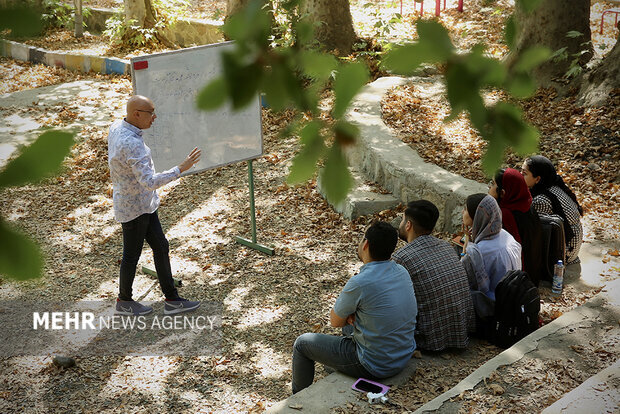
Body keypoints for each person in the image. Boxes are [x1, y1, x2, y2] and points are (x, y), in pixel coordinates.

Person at [291, 222, 417, 394]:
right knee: (350, 324)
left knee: (302, 343)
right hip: (402, 356)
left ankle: (297, 400)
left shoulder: (360, 282)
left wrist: (350, 315)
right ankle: (337, 364)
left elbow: (335, 321)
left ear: (365, 244)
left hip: (375, 365)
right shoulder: (402, 271)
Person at [108, 95, 202, 316]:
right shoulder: (130, 143)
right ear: (136, 114)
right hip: (134, 209)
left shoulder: (117, 127)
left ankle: (172, 299)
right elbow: (149, 182)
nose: (155, 117)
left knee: (161, 246)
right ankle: (124, 301)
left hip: (144, 205)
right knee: (131, 255)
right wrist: (181, 168)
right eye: (150, 112)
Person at [392, 200, 475, 351]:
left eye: (403, 219)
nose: (401, 223)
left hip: (429, 339)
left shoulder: (402, 257)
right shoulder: (446, 246)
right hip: (462, 331)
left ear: (408, 225)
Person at [522, 155, 583, 264]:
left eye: (525, 173)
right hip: (573, 246)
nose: (520, 176)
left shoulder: (540, 200)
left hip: (565, 253)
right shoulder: (554, 186)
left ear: (538, 179)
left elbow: (538, 234)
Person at [489, 168, 544, 285]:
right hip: (534, 273)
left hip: (517, 280)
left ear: (503, 193)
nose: (489, 187)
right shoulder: (527, 203)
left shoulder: (504, 215)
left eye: (493, 184)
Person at [461, 194, 521, 301]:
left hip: (492, 305)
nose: (462, 212)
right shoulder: (506, 235)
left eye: (465, 209)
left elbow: (465, 280)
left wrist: (467, 242)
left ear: (477, 216)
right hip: (513, 298)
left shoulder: (478, 252)